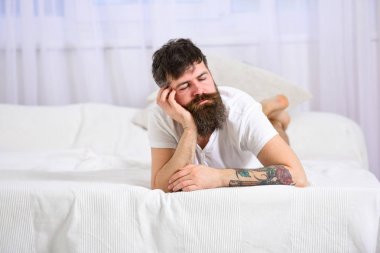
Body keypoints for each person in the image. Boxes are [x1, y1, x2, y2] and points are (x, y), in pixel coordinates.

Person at [148, 38, 308, 192]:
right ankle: (266, 110)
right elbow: (160, 185)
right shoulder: (161, 116)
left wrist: (220, 177)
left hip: (247, 119)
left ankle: (273, 118)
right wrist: (189, 128)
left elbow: (298, 176)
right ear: (168, 94)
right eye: (184, 86)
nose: (199, 91)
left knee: (278, 134)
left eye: (202, 77)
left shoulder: (242, 109)